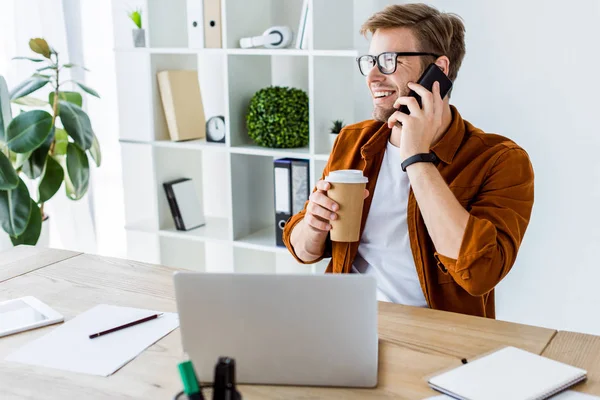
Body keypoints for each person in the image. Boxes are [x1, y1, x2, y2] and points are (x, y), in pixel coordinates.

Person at [282, 3, 535, 318]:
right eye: (370, 61)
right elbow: (303, 251)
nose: (373, 76)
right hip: (344, 319)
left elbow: (480, 274)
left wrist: (417, 157)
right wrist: (314, 225)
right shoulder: (353, 140)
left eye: (388, 61)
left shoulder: (500, 161)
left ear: (438, 71)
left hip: (438, 334)